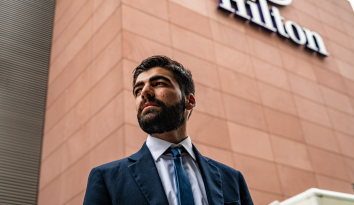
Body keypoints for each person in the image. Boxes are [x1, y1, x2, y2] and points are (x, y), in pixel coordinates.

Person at [83, 55, 254, 205]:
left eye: (158, 83)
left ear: (190, 100)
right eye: (137, 90)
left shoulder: (232, 179)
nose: (145, 93)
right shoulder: (106, 178)